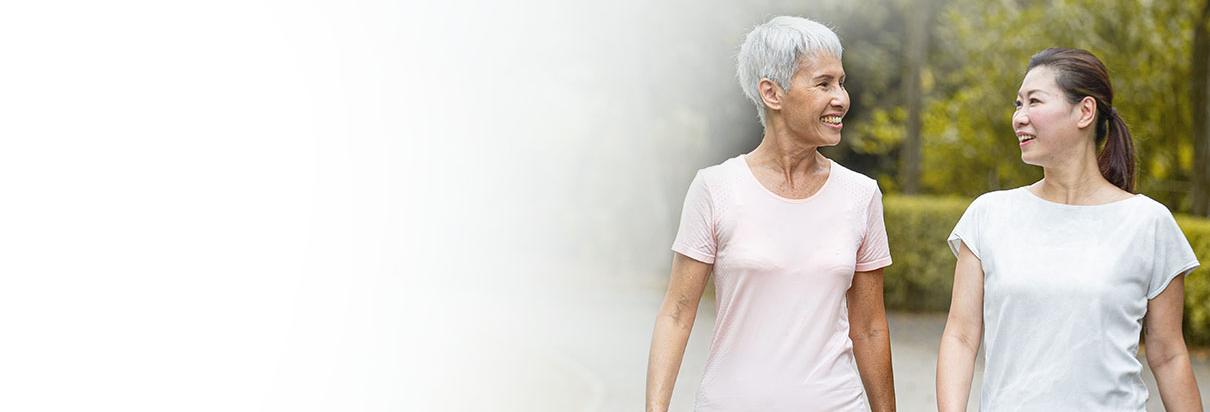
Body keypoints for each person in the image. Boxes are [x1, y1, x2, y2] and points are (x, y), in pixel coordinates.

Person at [645, 16, 896, 412]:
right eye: (823, 83)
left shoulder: (861, 195)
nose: (841, 98)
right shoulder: (716, 188)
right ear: (772, 93)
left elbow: (869, 327)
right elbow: (677, 313)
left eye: (841, 82)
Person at [936, 47, 1203, 411]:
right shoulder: (988, 215)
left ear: (1085, 111)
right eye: (1018, 104)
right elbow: (961, 337)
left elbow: (1169, 355)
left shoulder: (1148, 223)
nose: (1019, 117)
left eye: (1034, 101)